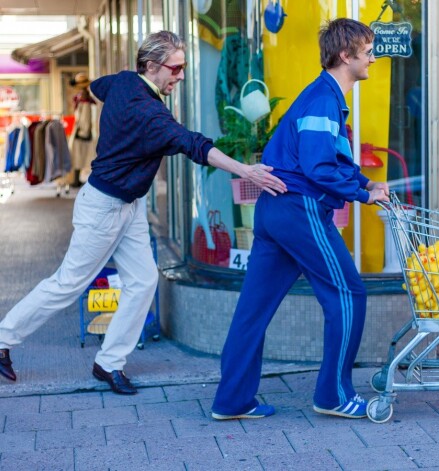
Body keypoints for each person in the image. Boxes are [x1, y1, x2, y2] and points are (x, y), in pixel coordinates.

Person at [0, 31, 286, 395]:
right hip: (104, 207)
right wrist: (246, 171)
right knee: (67, 284)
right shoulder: (150, 114)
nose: (181, 76)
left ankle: (109, 363)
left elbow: (97, 88)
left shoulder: (121, 83)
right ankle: (3, 339)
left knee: (143, 280)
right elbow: (194, 144)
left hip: (129, 205)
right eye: (176, 68)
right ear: (152, 67)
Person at [211, 18, 389, 420]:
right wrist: (362, 193)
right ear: (346, 55)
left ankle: (231, 400)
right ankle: (333, 396)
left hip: (277, 210)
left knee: (253, 308)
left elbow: (326, 159)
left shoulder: (321, 95)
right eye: (368, 50)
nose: (373, 57)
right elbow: (317, 167)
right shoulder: (325, 100)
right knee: (349, 294)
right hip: (300, 208)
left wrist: (365, 183)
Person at [68, 72, 96, 187]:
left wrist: (84, 131)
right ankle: (75, 179)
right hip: (81, 131)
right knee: (78, 156)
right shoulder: (85, 98)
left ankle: (75, 179)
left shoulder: (83, 98)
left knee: (78, 156)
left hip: (81, 131)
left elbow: (84, 117)